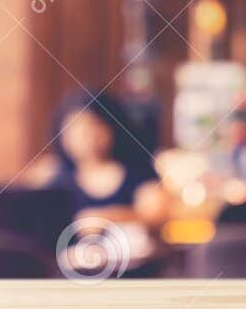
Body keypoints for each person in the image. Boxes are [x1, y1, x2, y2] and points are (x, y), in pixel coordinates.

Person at [44, 89, 166, 226]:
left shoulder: (138, 171)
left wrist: (106, 218)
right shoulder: (56, 178)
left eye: (94, 125)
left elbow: (157, 214)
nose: (86, 135)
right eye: (75, 127)